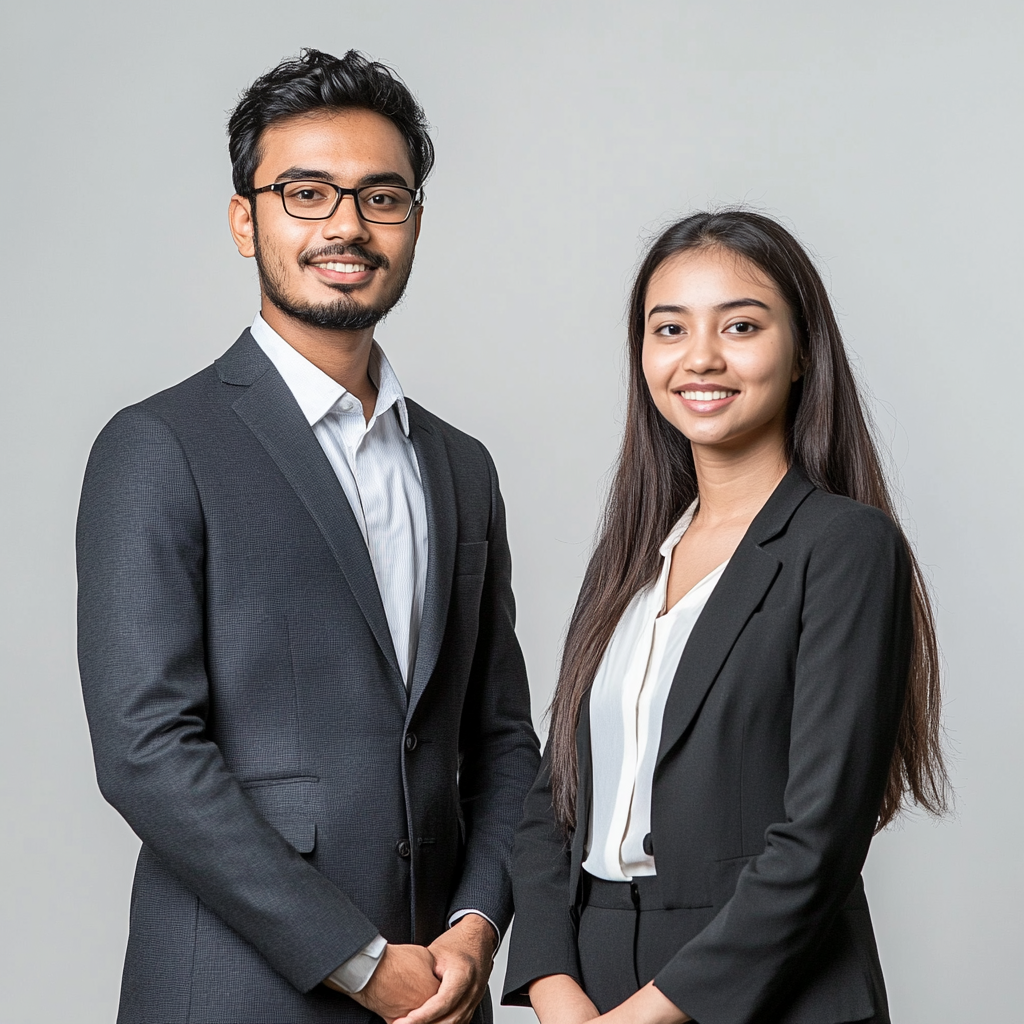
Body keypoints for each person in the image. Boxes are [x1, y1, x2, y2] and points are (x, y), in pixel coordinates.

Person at [77, 48, 539, 1024]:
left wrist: (476, 923)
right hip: (236, 990)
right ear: (245, 217)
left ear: (415, 220)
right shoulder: (159, 445)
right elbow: (146, 751)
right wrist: (363, 962)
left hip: (441, 998)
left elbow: (499, 742)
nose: (346, 225)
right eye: (306, 192)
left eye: (382, 197)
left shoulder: (460, 466)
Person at [502, 210, 948, 1024]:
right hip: (593, 976)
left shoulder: (844, 547)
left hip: (773, 990)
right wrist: (555, 989)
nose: (700, 358)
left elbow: (818, 839)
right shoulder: (630, 559)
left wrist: (644, 1017)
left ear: (803, 350)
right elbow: (552, 801)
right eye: (668, 329)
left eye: (741, 325)